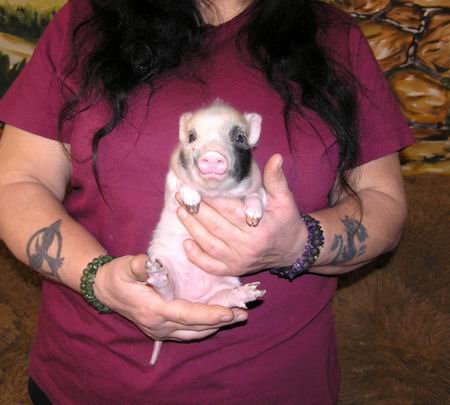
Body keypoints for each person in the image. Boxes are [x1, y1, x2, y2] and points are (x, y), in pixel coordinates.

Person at [0, 0, 415, 403]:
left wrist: (297, 244)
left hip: (276, 386)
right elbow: (17, 182)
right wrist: (98, 279)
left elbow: (381, 202)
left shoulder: (336, 37)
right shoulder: (85, 20)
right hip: (86, 382)